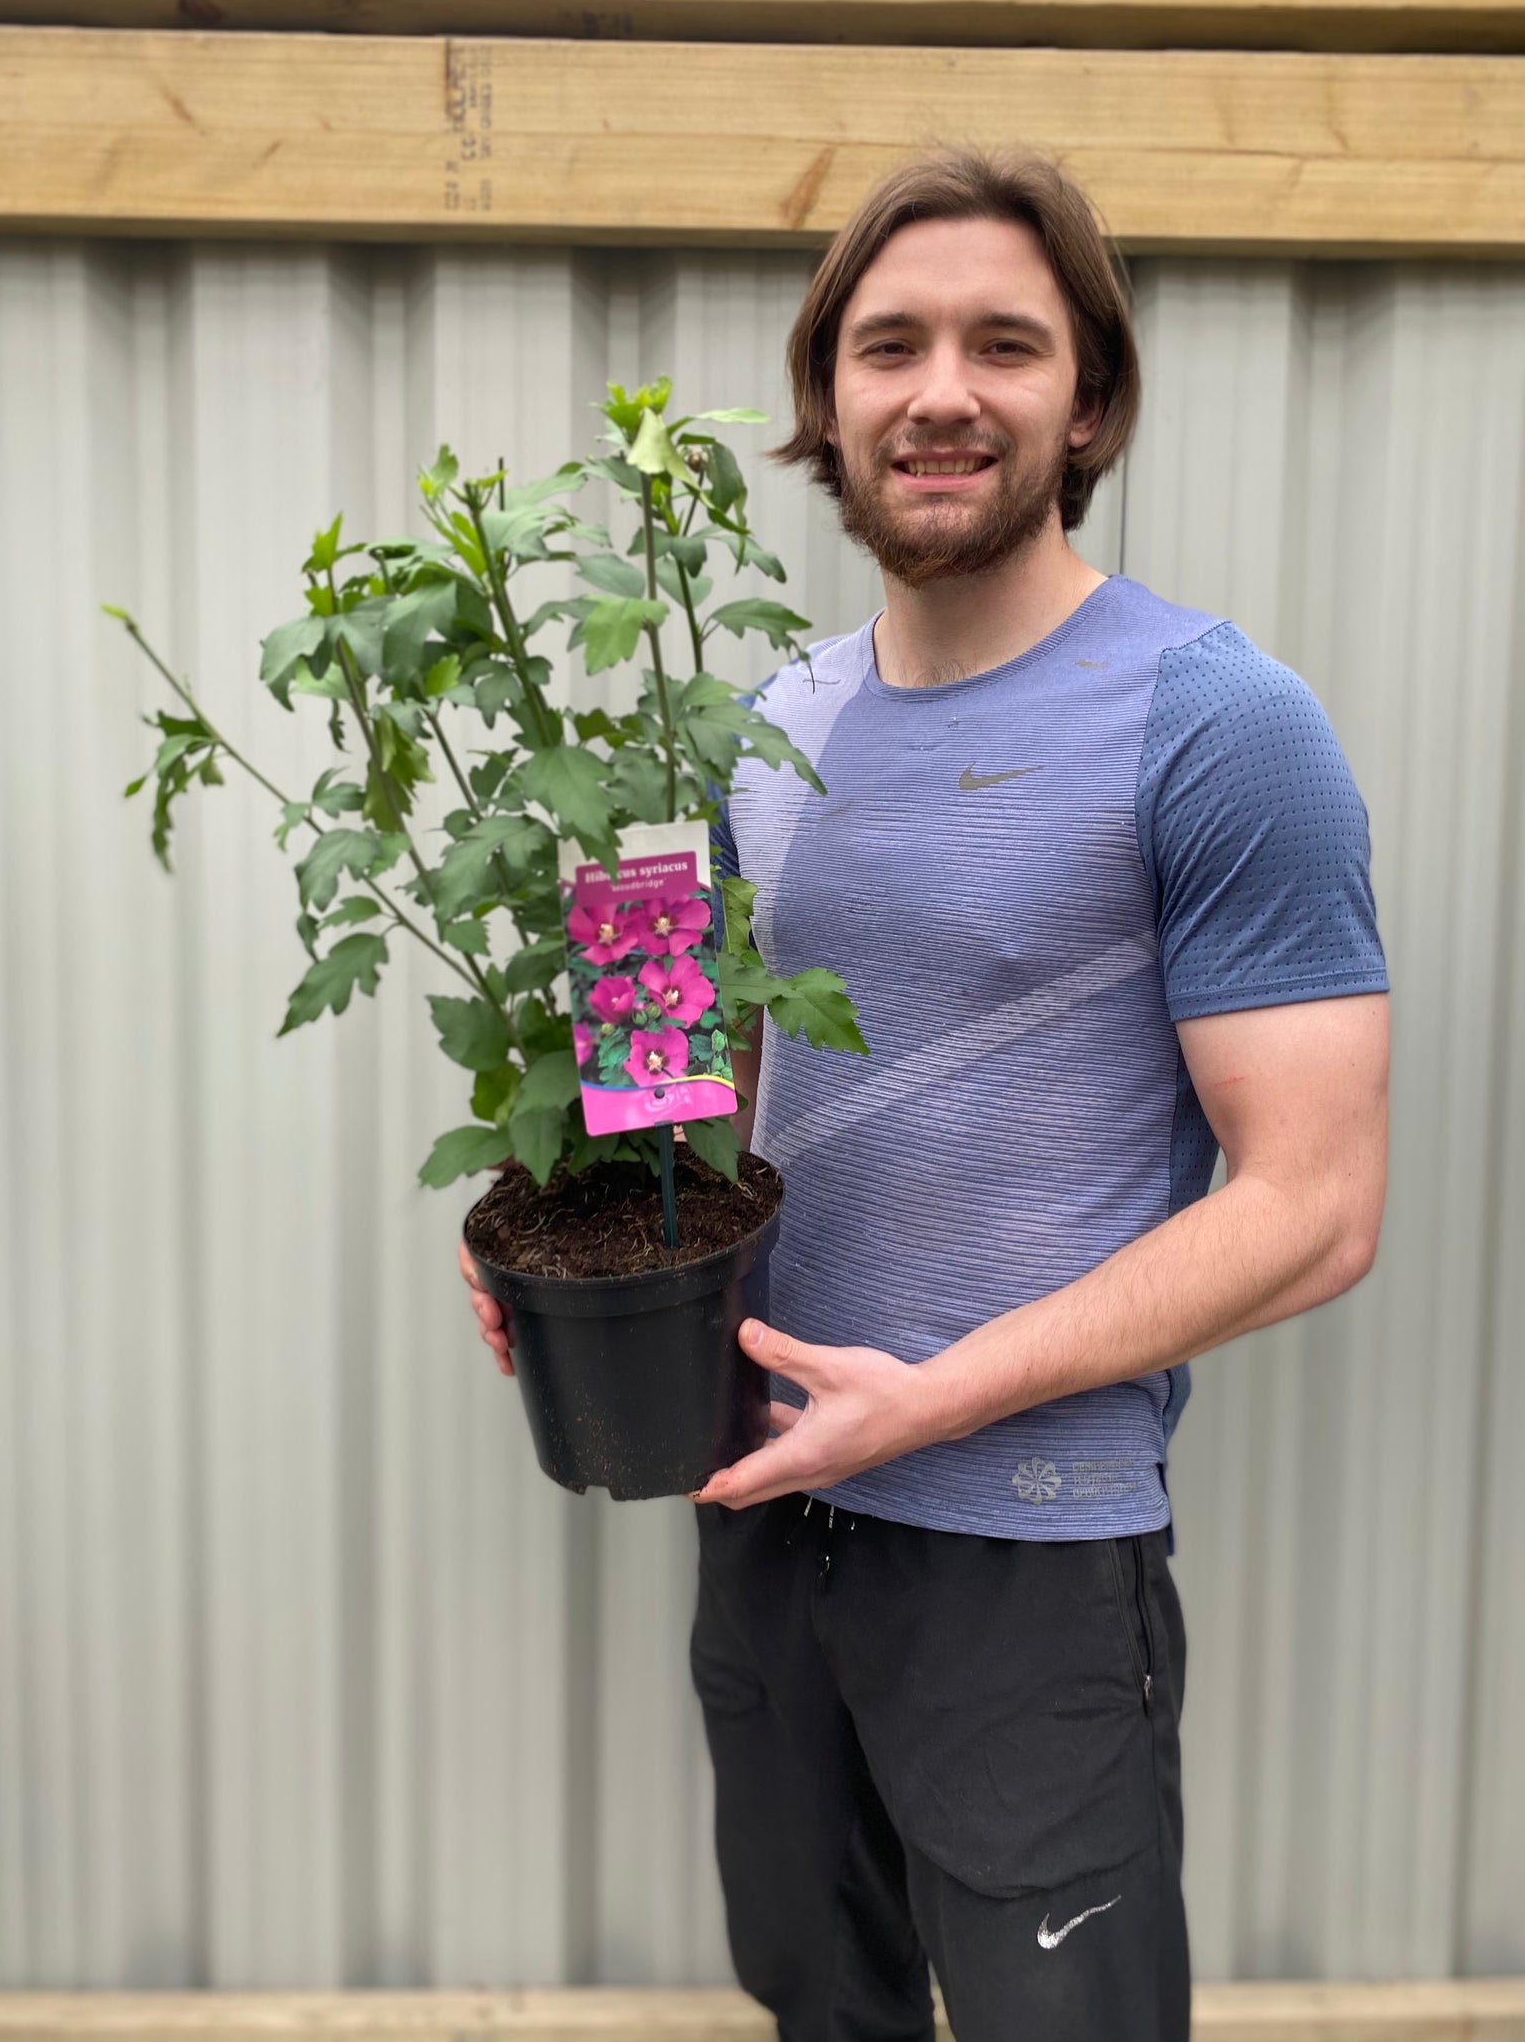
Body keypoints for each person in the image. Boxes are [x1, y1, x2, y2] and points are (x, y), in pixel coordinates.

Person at [461, 148, 1390, 2042]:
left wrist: (925, 1402)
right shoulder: (746, 726)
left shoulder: (1221, 722)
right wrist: (544, 1228)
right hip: (760, 1508)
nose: (940, 389)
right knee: (823, 2000)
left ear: (1092, 400)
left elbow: (1317, 1205)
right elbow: (668, 1089)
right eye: (888, 345)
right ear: (827, 404)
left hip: (1030, 1547)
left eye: (1004, 343)